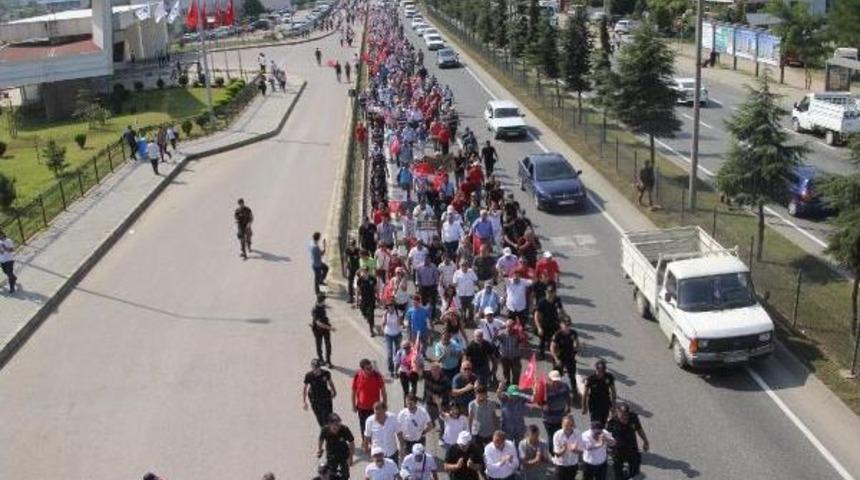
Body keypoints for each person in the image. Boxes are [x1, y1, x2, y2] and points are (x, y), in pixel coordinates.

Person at [606, 403, 650, 480]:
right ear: (617, 412)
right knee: (618, 475)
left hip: (632, 449)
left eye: (627, 415)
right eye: (623, 416)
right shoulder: (612, 421)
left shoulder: (633, 417)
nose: (625, 418)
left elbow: (639, 429)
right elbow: (605, 435)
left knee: (634, 472)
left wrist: (645, 441)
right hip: (618, 452)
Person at [352, 359, 387, 443]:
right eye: (368, 368)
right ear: (362, 369)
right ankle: (365, 442)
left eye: (371, 367)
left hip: (375, 407)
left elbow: (383, 391)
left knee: (376, 425)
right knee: (363, 426)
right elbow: (353, 392)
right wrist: (353, 405)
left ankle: (375, 441)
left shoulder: (377, 376)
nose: (371, 370)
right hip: (362, 407)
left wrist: (384, 404)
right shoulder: (357, 376)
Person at [318, 413, 355, 480]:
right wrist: (320, 449)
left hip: (344, 454)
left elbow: (351, 442)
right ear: (329, 424)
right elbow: (321, 439)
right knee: (331, 474)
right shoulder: (324, 430)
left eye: (339, 424)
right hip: (331, 455)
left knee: (345, 475)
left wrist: (351, 457)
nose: (337, 427)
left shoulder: (345, 429)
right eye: (335, 425)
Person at [582, 360, 616, 426]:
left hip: (605, 403)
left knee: (603, 423)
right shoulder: (590, 379)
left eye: (603, 371)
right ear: (596, 369)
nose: (601, 373)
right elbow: (585, 394)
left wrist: (613, 406)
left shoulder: (609, 377)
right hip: (594, 405)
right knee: (595, 425)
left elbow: (613, 392)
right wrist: (584, 406)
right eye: (599, 371)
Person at [534, 286, 565, 360]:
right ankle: (542, 354)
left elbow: (561, 310)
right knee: (542, 341)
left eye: (552, 292)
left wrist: (564, 317)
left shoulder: (557, 300)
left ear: (555, 293)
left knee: (555, 341)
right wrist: (539, 327)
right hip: (544, 325)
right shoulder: (542, 301)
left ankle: (555, 355)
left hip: (554, 325)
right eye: (548, 292)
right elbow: (536, 315)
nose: (550, 294)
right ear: (546, 292)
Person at [305, 358, 337, 427]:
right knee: (319, 418)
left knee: (328, 416)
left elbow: (330, 382)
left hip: (326, 397)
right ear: (312, 367)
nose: (316, 369)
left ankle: (330, 429)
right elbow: (305, 388)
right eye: (314, 367)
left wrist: (334, 391)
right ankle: (324, 430)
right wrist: (304, 401)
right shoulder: (309, 376)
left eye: (317, 367)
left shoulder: (326, 373)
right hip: (315, 399)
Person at [496, 383, 529, 448]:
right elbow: (498, 394)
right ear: (508, 393)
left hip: (519, 428)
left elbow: (533, 397)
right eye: (512, 394)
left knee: (519, 447)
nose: (514, 396)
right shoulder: (504, 399)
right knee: (507, 447)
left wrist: (535, 388)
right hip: (507, 429)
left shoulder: (521, 399)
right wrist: (500, 387)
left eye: (516, 394)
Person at [550, 322, 580, 392]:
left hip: (570, 357)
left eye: (568, 325)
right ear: (561, 325)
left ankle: (574, 391)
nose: (567, 327)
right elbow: (552, 348)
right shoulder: (557, 335)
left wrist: (576, 348)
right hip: (560, 357)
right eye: (565, 325)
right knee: (556, 375)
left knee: (572, 375)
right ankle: (553, 390)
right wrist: (556, 359)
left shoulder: (573, 333)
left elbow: (577, 343)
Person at [467, 385, 499, 451]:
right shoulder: (472, 404)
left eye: (483, 394)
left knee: (490, 450)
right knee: (478, 451)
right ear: (475, 394)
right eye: (479, 395)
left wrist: (497, 430)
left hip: (490, 431)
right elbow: (470, 419)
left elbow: (494, 417)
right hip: (477, 433)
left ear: (486, 394)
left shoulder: (491, 404)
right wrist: (469, 432)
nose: (481, 397)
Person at [542, 370, 571, 441]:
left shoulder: (564, 386)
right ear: (549, 379)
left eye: (557, 380)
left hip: (561, 417)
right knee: (552, 438)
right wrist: (543, 406)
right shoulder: (544, 388)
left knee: (561, 437)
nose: (556, 382)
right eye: (553, 381)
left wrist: (568, 406)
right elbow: (539, 401)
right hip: (549, 419)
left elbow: (568, 397)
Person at [552, 414, 581, 480]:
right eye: (566, 425)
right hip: (561, 465)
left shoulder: (578, 434)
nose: (568, 427)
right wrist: (564, 449)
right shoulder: (557, 435)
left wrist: (575, 450)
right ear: (562, 425)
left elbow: (582, 450)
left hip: (573, 464)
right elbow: (557, 454)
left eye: (571, 425)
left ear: (573, 425)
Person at [495, 320, 522, 386]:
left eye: (511, 327)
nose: (509, 328)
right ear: (505, 326)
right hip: (505, 357)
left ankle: (514, 386)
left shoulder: (518, 334)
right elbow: (495, 340)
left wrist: (521, 336)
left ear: (513, 326)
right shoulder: (501, 334)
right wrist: (495, 335)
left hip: (515, 357)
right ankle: (507, 385)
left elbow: (523, 341)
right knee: (506, 372)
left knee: (516, 373)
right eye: (508, 326)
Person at [312, 293, 335, 366]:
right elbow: (319, 323)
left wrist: (330, 307)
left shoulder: (320, 304)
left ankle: (328, 361)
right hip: (318, 329)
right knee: (319, 344)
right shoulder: (315, 310)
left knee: (328, 345)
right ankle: (321, 359)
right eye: (324, 300)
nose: (325, 302)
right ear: (322, 301)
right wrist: (330, 328)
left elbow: (324, 306)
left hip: (325, 327)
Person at [356, 268, 378, 336]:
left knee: (371, 314)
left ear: (367, 272)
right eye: (362, 272)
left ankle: (371, 330)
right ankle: (368, 318)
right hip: (364, 300)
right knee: (363, 311)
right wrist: (357, 300)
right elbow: (358, 290)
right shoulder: (359, 280)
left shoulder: (372, 279)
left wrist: (378, 298)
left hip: (371, 299)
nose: (364, 273)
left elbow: (375, 288)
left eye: (365, 271)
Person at [0, 230, 17, 294]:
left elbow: (12, 250)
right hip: (2, 261)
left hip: (9, 260)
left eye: (0, 235)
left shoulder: (8, 240)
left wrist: (5, 248)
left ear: (3, 234)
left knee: (9, 273)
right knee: (6, 272)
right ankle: (14, 278)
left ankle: (12, 287)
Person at [346, 238, 361, 303]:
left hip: (357, 268)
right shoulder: (347, 250)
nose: (352, 246)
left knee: (359, 282)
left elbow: (360, 259)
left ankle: (359, 296)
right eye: (351, 245)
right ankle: (351, 297)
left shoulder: (358, 250)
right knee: (350, 282)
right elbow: (346, 259)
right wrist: (346, 267)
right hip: (350, 268)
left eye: (353, 245)